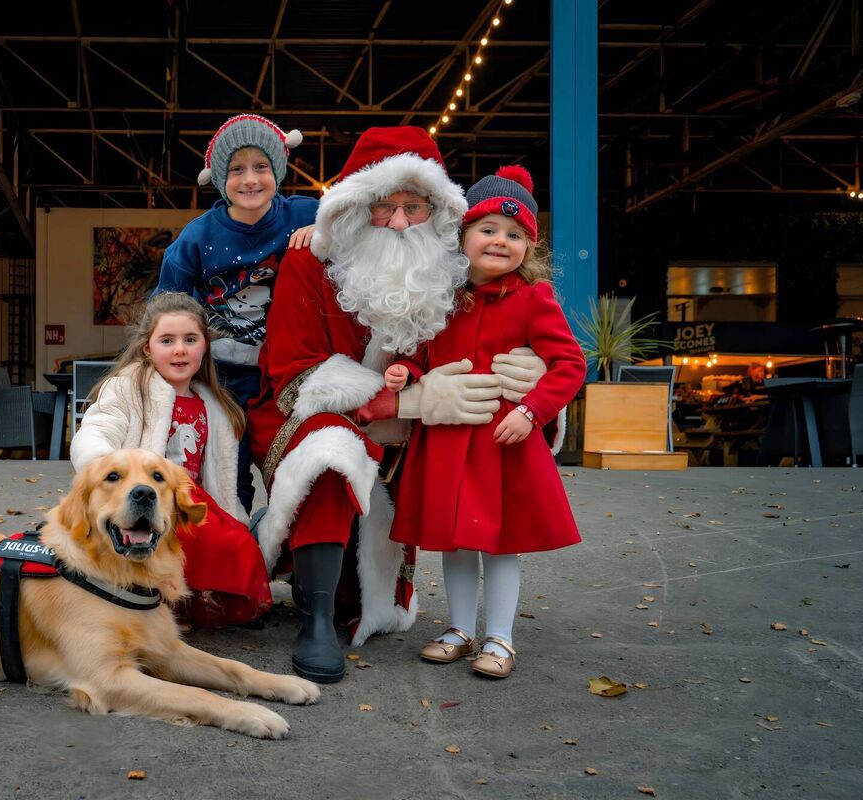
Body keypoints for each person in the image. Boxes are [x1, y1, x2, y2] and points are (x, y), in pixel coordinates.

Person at [249, 127, 550, 683]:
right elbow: (297, 377)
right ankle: (312, 622)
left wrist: (527, 373)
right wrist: (402, 400)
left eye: (413, 206)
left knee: (369, 592)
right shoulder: (308, 263)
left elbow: (498, 333)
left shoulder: (454, 271)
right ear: (357, 207)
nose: (399, 221)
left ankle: (461, 624)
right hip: (312, 419)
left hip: (417, 437)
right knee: (332, 450)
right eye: (383, 205)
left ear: (437, 211)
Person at [388, 165, 586, 678]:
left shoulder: (533, 298)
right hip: (450, 439)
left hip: (503, 442)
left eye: (515, 234)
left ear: (529, 247)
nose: (501, 241)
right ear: (463, 235)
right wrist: (405, 371)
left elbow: (569, 365)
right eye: (489, 229)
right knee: (455, 541)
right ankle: (459, 628)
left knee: (500, 546)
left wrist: (531, 411)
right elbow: (421, 354)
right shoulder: (440, 295)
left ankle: (500, 638)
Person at [70, 292, 272, 628]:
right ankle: (160, 599)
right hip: (148, 492)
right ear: (149, 348)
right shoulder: (128, 389)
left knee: (237, 543)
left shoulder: (215, 405)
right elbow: (98, 427)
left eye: (190, 339)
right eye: (168, 340)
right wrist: (106, 467)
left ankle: (202, 600)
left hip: (192, 496)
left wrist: (231, 515)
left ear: (204, 346)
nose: (179, 349)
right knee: (190, 536)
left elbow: (220, 474)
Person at [156, 114, 318, 513]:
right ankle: (236, 546)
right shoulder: (199, 235)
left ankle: (295, 551)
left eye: (261, 166)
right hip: (222, 370)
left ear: (278, 170)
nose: (250, 179)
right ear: (220, 179)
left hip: (287, 366)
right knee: (230, 462)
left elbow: (362, 220)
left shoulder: (306, 213)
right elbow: (164, 302)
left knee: (296, 458)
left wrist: (327, 231)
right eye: (237, 169)